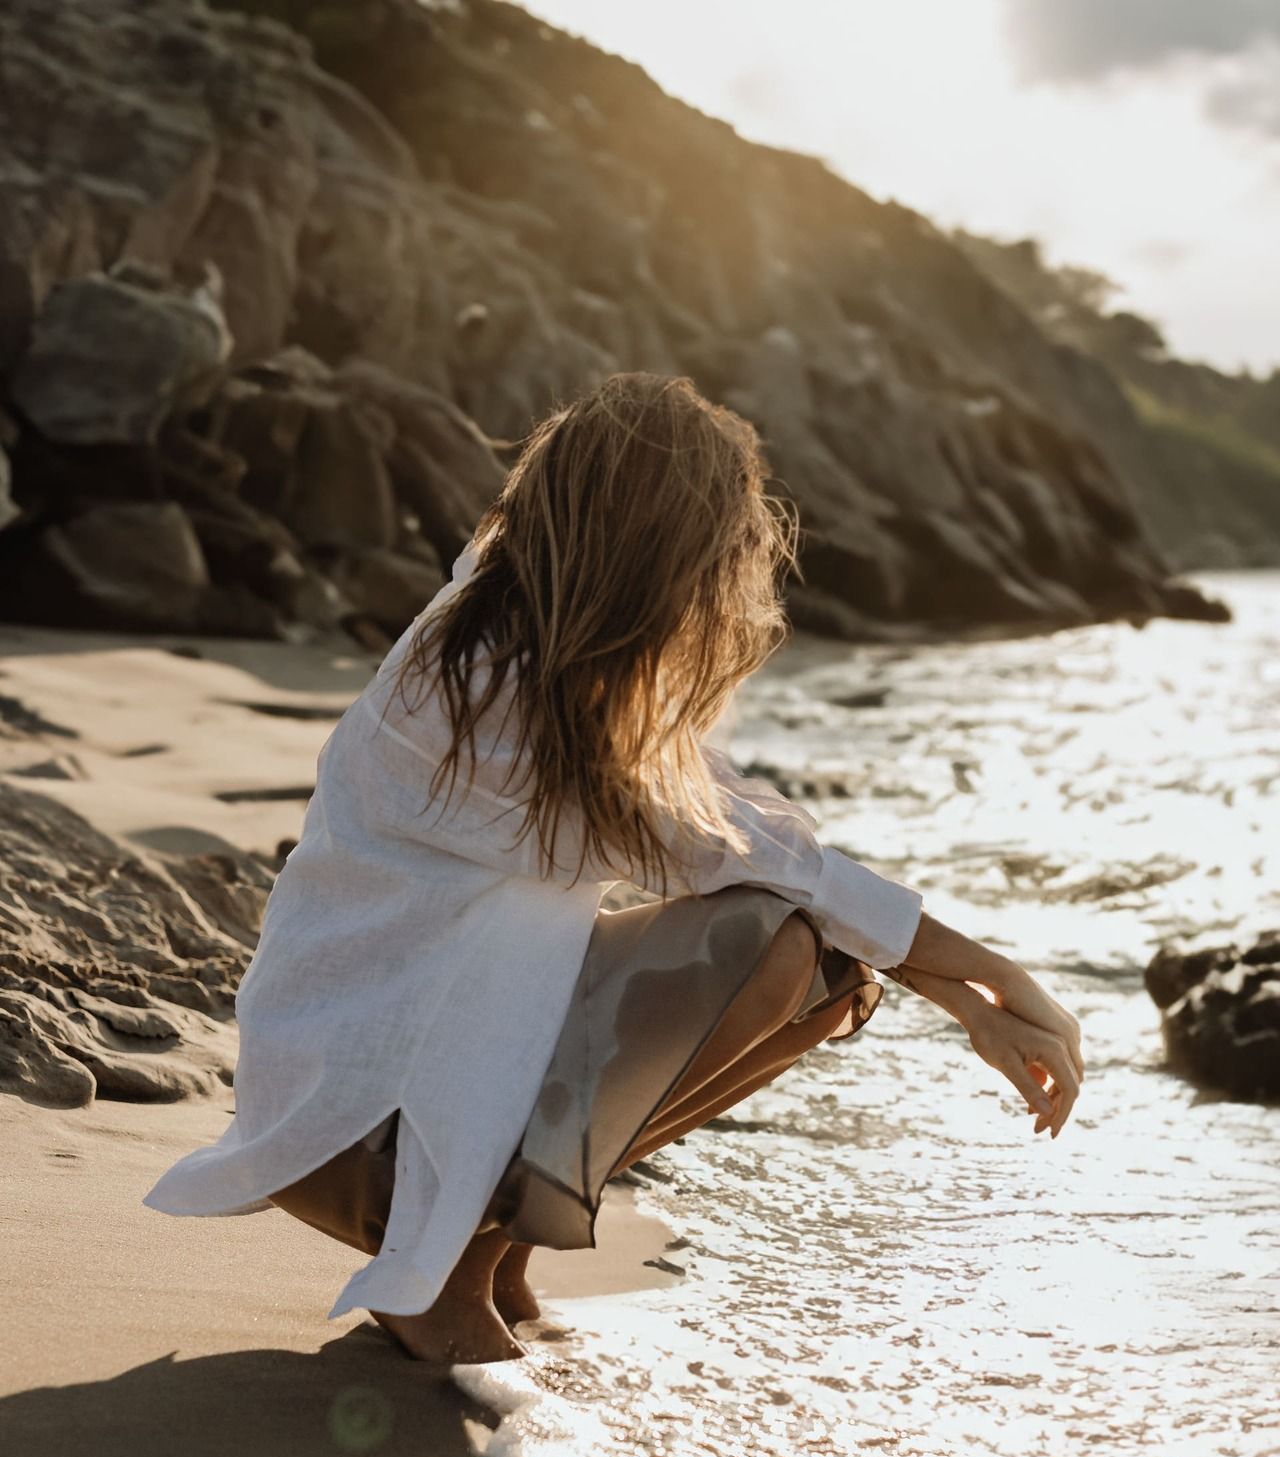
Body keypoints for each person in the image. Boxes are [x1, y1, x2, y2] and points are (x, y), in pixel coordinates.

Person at [144, 372, 1084, 1366]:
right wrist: (992, 983)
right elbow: (736, 850)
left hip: (406, 1070)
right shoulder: (478, 689)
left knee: (825, 975)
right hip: (352, 1120)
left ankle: (497, 1238)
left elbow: (748, 830)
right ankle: (443, 1269)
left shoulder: (525, 644)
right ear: (649, 551)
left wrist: (969, 997)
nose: (723, 575)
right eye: (713, 549)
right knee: (764, 943)